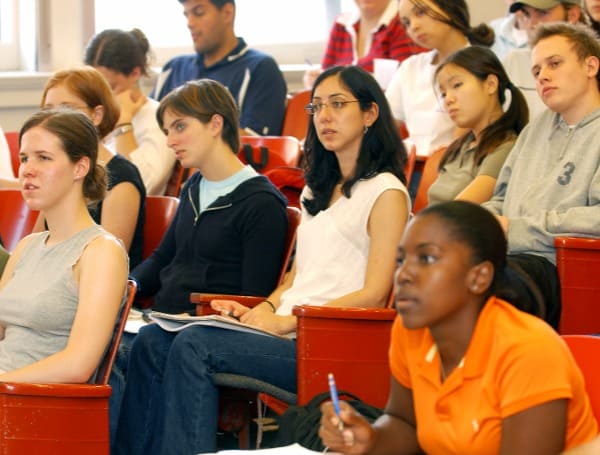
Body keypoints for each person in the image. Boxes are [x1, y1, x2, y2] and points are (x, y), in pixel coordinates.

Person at [114, 65, 411, 454]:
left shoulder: (386, 192)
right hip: (287, 330)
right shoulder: (317, 193)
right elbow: (294, 280)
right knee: (153, 339)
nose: (324, 116)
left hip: (325, 342)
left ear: (370, 113)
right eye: (317, 106)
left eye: (338, 104)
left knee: (194, 344)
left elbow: (374, 293)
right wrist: (257, 311)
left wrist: (286, 320)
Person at [320, 200, 598, 454]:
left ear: (479, 277)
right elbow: (404, 423)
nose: (403, 274)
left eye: (427, 259)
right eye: (401, 260)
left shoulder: (528, 351)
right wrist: (371, 439)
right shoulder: (410, 330)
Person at [483, 22, 600, 330]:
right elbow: (500, 200)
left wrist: (519, 228)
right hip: (509, 255)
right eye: (536, 71)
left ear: (591, 65)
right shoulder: (534, 130)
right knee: (430, 279)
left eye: (555, 64)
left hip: (557, 264)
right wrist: (473, 221)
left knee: (483, 290)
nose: (543, 76)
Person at [0, 108, 128, 381]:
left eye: (43, 158)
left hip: (36, 402)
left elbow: (78, 364)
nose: (27, 170)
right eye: (24, 158)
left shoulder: (101, 252)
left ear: (80, 168)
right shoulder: (28, 246)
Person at [41, 66, 146, 269]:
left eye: (66, 109)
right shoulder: (55, 169)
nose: (53, 119)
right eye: (47, 110)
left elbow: (106, 265)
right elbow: (36, 245)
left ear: (96, 115)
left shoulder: (121, 178)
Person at [151, 0, 287, 136]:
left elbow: (257, 145)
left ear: (227, 13)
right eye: (186, 15)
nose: (190, 23)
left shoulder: (260, 68)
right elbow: (148, 125)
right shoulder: (173, 67)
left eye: (199, 13)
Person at [386, 0, 495, 159]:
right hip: (408, 166)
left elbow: (462, 142)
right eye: (406, 22)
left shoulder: (480, 64)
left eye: (421, 12)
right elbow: (385, 127)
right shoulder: (409, 67)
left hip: (451, 167)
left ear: (448, 7)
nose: (413, 27)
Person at [427, 45, 529, 205]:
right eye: (443, 93)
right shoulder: (460, 146)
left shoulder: (506, 147)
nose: (448, 99)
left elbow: (459, 210)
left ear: (491, 84)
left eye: (457, 85)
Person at [85, 28, 176, 196]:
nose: (101, 98)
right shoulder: (97, 114)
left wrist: (123, 124)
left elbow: (143, 185)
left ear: (135, 73)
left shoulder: (158, 118)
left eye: (110, 87)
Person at [303, 0, 425, 89]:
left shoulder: (406, 23)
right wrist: (316, 81)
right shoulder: (341, 24)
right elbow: (326, 77)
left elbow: (405, 84)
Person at [503, 0, 584, 120]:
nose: (531, 24)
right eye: (526, 14)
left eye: (542, 13)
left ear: (572, 15)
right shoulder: (513, 61)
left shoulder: (591, 59)